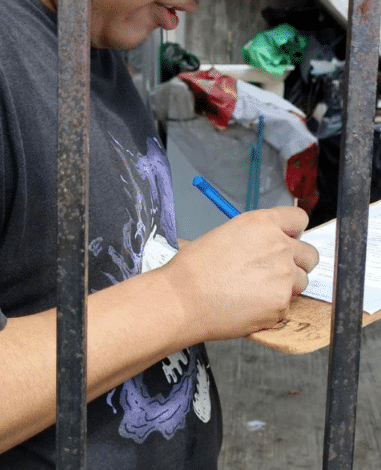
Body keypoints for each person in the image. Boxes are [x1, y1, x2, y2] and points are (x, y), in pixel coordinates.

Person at [0, 0, 319, 467]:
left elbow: (71, 255)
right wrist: (186, 295)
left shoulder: (94, 43)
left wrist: (224, 264)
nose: (187, 9)